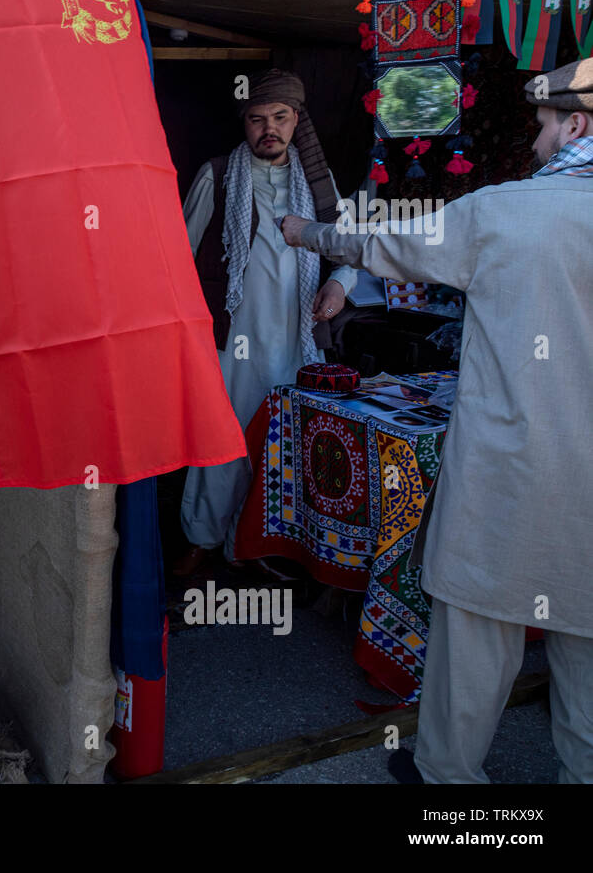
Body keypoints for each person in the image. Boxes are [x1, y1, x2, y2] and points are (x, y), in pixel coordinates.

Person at [282, 57, 593, 784]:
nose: (539, 142)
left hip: (512, 473)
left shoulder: (508, 211)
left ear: (576, 123)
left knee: (479, 626)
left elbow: (385, 248)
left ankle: (451, 783)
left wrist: (308, 234)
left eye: (546, 125)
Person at [176, 69, 359, 574]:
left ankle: (268, 545)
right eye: (257, 119)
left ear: (296, 120)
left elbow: (350, 251)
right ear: (245, 124)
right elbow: (178, 258)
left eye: (279, 117)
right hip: (234, 341)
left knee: (289, 445)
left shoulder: (318, 185)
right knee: (225, 439)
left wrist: (338, 286)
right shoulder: (217, 175)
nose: (268, 129)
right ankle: (204, 537)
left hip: (298, 342)